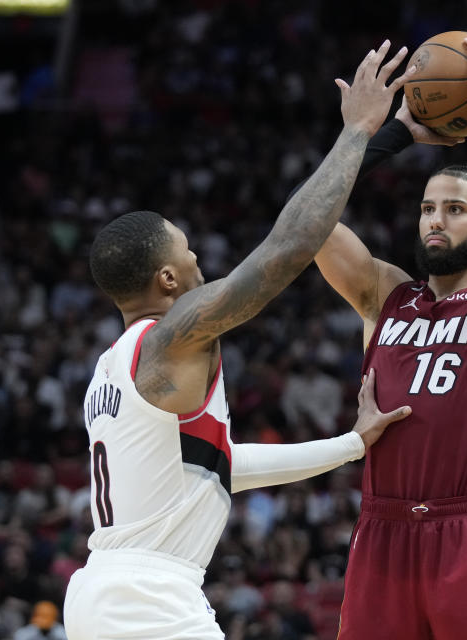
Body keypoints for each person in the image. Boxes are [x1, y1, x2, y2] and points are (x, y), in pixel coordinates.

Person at [63, 41, 415, 640]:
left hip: (107, 591)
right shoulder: (171, 336)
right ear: (167, 279)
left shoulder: (113, 368)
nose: (198, 254)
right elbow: (288, 248)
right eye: (186, 247)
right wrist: (363, 132)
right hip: (151, 597)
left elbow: (223, 468)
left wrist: (353, 445)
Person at [313, 32, 467, 638]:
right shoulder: (384, 294)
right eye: (427, 208)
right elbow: (306, 221)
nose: (435, 220)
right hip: (380, 532)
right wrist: (386, 134)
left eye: (454, 209)